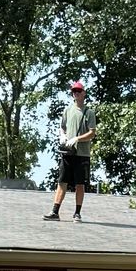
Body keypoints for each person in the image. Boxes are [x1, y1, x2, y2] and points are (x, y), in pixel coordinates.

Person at [46, 80, 95, 219]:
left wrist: (77, 139)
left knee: (80, 184)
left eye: (79, 91)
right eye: (74, 91)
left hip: (82, 154)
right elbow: (62, 127)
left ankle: (77, 213)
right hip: (68, 152)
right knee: (62, 181)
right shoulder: (67, 110)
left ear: (84, 93)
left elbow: (92, 133)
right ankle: (55, 211)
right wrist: (62, 136)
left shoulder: (89, 112)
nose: (76, 94)